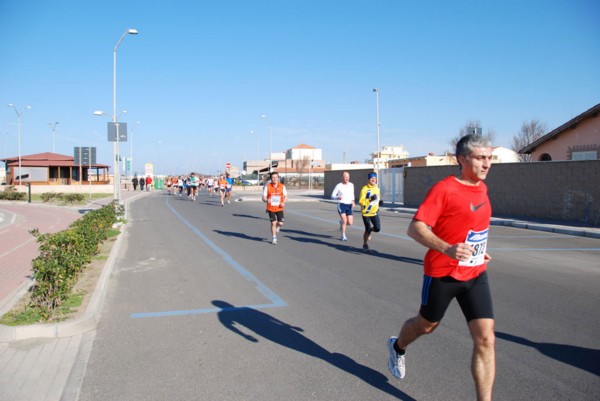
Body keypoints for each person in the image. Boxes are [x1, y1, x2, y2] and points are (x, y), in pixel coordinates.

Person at [387, 134, 495, 401]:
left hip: (475, 272)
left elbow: (470, 226)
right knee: (426, 325)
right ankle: (398, 346)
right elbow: (415, 228)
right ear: (462, 159)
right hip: (443, 274)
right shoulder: (444, 189)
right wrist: (447, 248)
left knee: (485, 340)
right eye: (481, 158)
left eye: (489, 157)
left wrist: (480, 251)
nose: (487, 164)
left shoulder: (482, 187)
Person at [262, 171, 287, 245]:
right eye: (273, 177)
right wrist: (267, 200)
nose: (274, 179)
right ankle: (274, 238)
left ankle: (278, 227)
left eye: (276, 177)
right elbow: (263, 197)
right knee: (273, 223)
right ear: (271, 178)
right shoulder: (268, 187)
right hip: (271, 208)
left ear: (278, 178)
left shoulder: (282, 186)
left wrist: (284, 202)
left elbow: (286, 196)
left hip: (279, 207)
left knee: (280, 223)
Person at [358, 172, 381, 252]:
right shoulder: (364, 189)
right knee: (367, 228)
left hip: (374, 212)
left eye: (375, 178)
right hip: (366, 212)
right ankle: (365, 243)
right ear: (368, 179)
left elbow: (377, 198)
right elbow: (361, 201)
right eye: (372, 178)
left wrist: (379, 203)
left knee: (377, 228)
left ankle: (371, 230)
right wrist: (369, 200)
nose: (373, 180)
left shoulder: (377, 188)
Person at [331, 171, 355, 241]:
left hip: (349, 205)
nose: (346, 178)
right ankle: (343, 235)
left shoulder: (351, 185)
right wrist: (337, 197)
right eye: (345, 177)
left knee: (350, 223)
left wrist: (353, 201)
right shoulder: (339, 185)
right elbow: (332, 195)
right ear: (342, 177)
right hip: (341, 204)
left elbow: (352, 194)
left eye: (348, 177)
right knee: (344, 220)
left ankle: (341, 223)